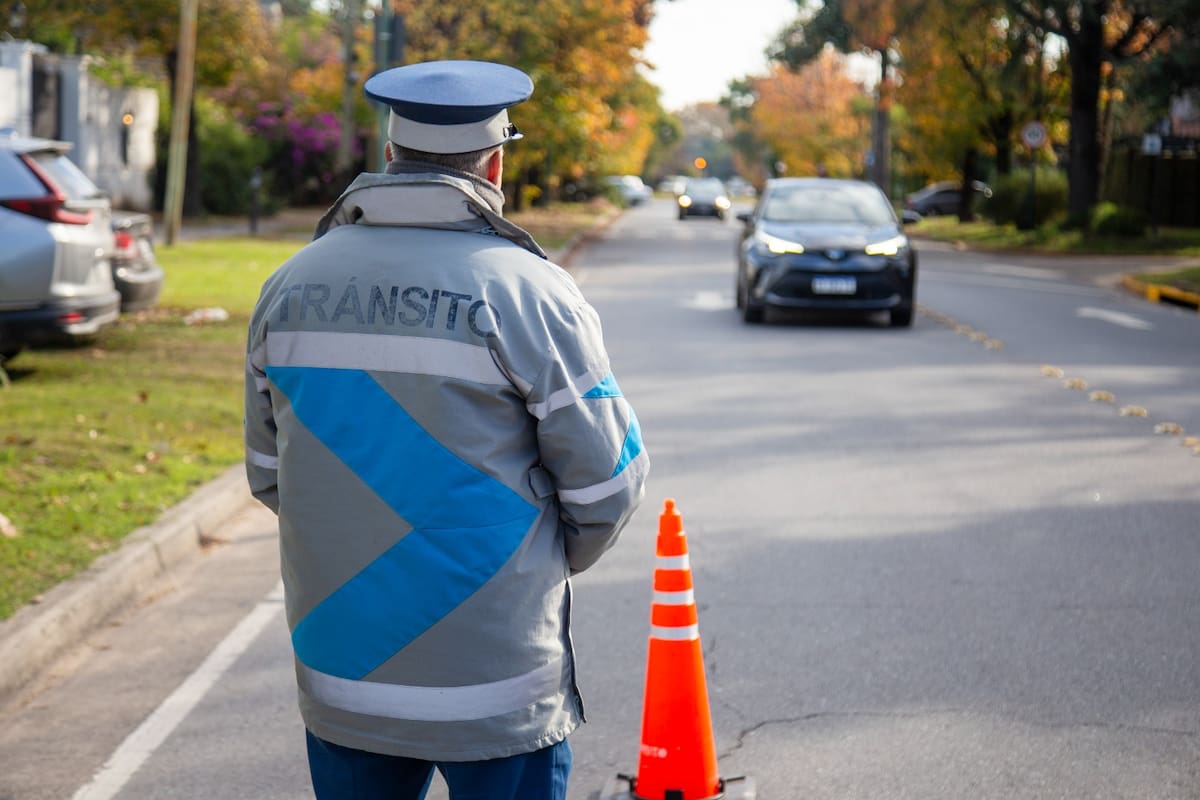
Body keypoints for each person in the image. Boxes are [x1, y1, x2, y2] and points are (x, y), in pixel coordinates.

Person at [243, 59, 649, 799]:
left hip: (345, 677)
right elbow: (608, 485)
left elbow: (271, 475)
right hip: (496, 683)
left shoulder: (290, 286)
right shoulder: (531, 292)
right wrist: (530, 565)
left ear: (389, 154)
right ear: (494, 164)